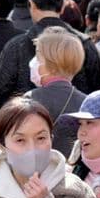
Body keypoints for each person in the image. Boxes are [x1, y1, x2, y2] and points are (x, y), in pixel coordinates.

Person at [0, 0, 100, 106]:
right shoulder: (85, 44)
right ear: (62, 7)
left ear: (31, 4)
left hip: (27, 115)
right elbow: (97, 92)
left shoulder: (16, 46)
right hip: (79, 115)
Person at [24, 27, 87, 157]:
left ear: (52, 65)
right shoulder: (86, 102)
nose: (33, 62)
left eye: (38, 57)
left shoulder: (30, 99)